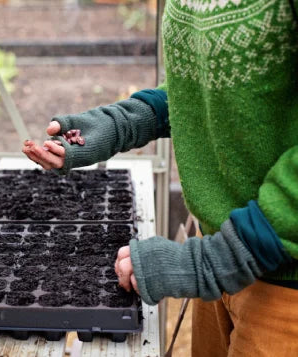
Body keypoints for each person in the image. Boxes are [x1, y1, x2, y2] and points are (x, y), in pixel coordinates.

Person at [22, 0, 298, 355]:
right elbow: (215, 91)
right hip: (224, 257)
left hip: (283, 288)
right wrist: (123, 122)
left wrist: (212, 262)